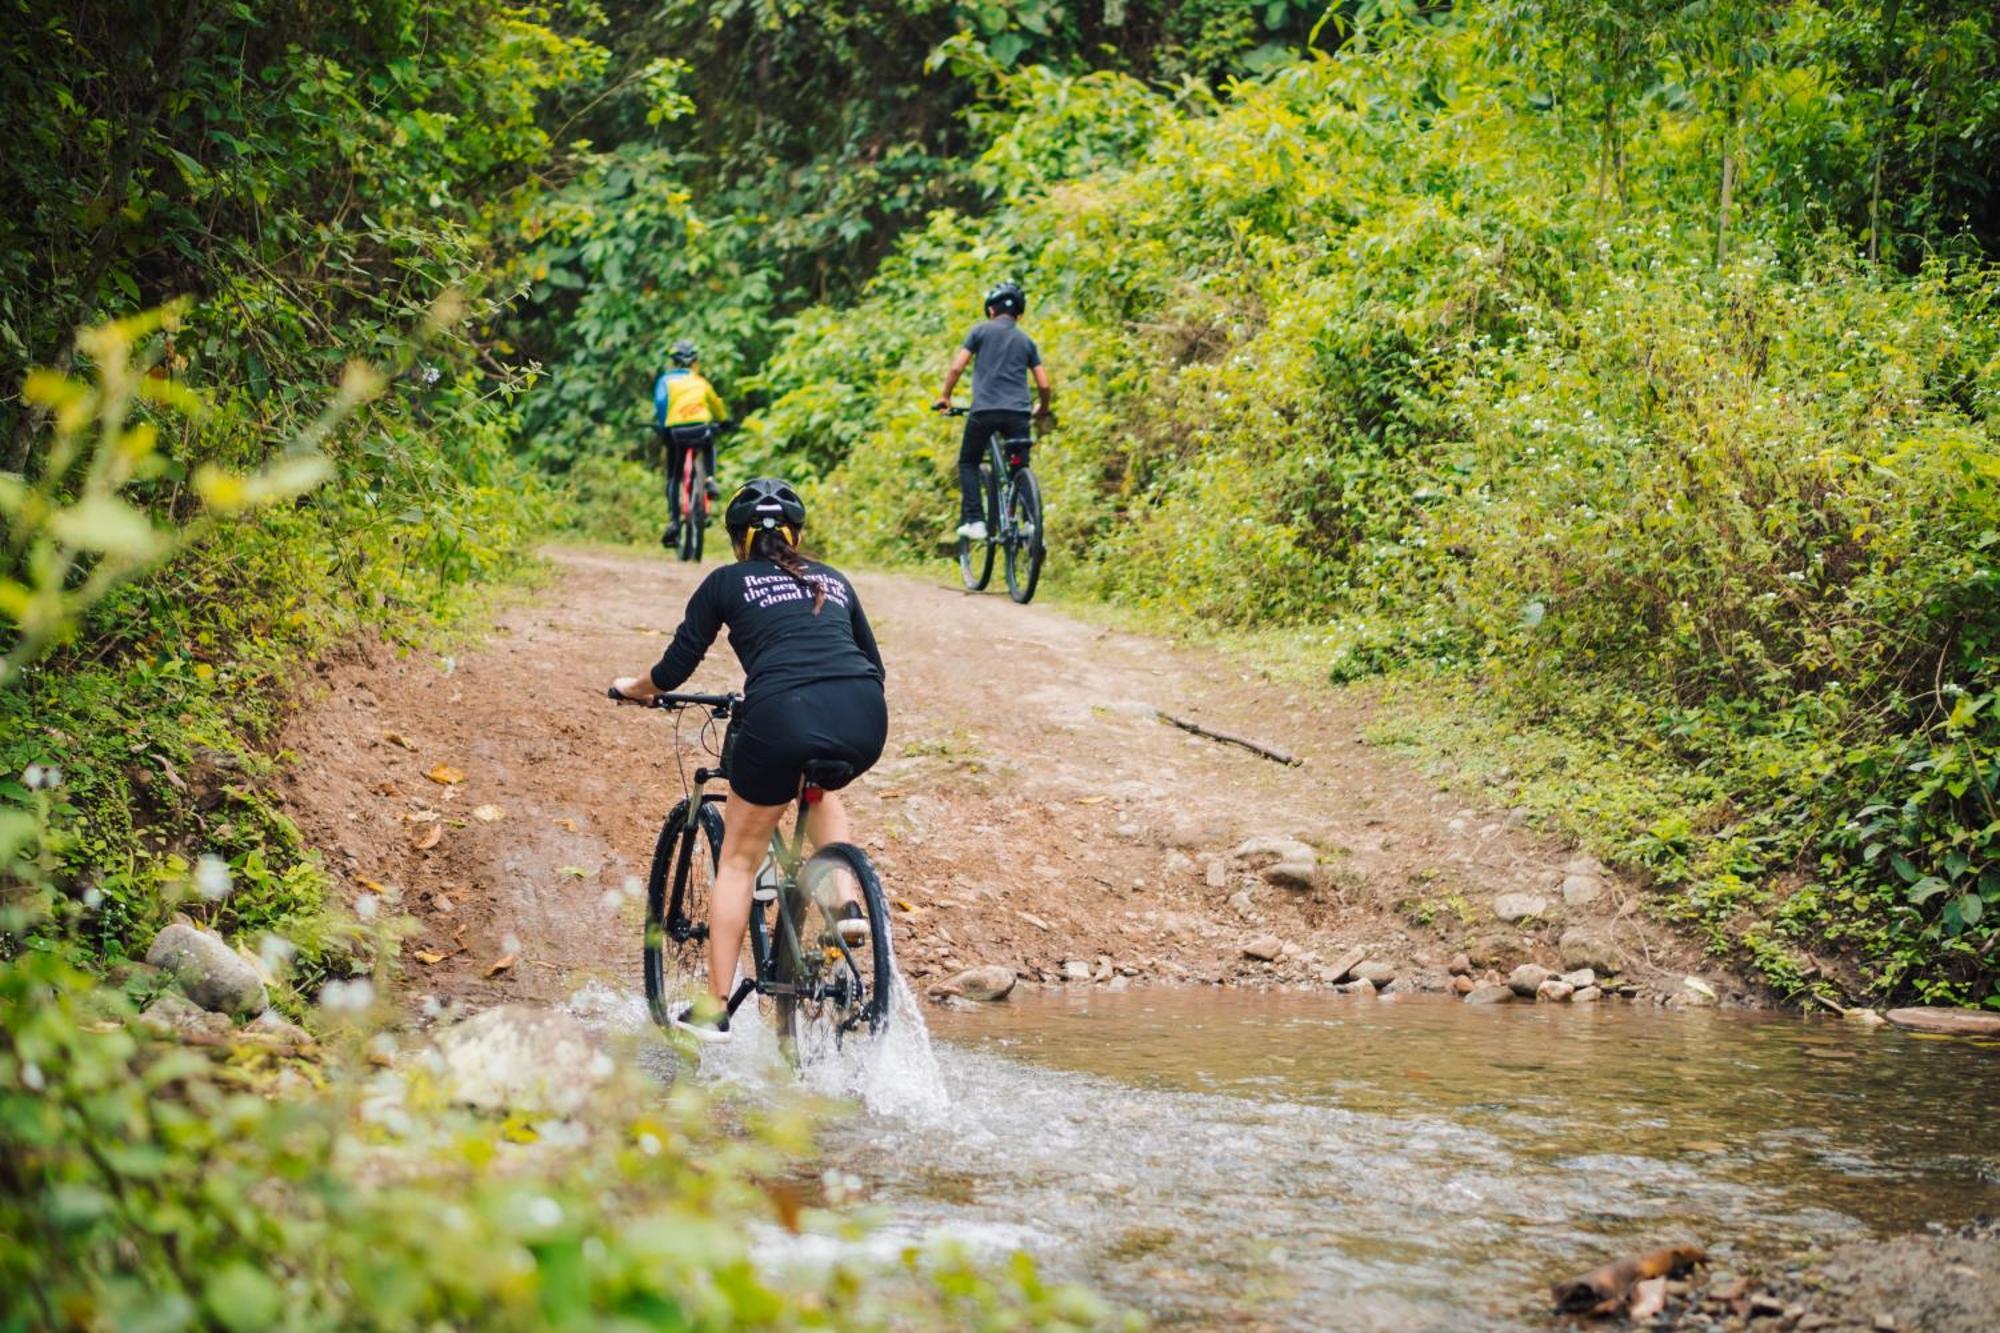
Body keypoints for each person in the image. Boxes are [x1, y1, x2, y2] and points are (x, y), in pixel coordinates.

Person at [609, 478, 887, 1041]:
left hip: (781, 715)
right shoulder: (833, 580)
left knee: (737, 858)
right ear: (798, 534)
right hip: (863, 713)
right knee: (820, 787)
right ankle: (847, 904)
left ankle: (715, 1007)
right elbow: (872, 664)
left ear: (737, 540)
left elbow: (674, 669)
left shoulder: (726, 582)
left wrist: (638, 688)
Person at [933, 280, 1053, 541]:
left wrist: (945, 396)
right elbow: (1044, 383)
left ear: (991, 311)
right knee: (1019, 465)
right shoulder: (1026, 341)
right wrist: (1042, 408)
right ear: (1019, 315)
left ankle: (975, 520)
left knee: (969, 461)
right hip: (1019, 414)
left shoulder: (980, 332)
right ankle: (1031, 525)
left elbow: (957, 367)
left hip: (985, 412)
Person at [653, 339, 729, 548]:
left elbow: (661, 404)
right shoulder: (700, 381)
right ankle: (710, 479)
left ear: (673, 362)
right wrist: (723, 421)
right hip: (700, 428)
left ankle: (674, 523)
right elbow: (716, 404)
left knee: (674, 477)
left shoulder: (665, 381)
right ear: (695, 361)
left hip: (676, 431)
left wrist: (662, 425)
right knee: (709, 444)